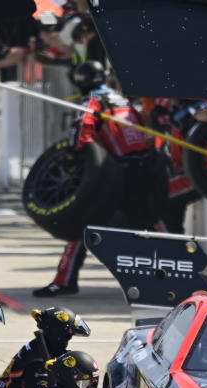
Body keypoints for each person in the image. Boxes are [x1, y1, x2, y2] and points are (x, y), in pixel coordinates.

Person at [33, 60, 168, 297]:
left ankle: (64, 281)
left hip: (119, 174)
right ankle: (175, 274)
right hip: (147, 167)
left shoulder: (91, 102)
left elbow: (79, 138)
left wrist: (74, 160)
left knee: (80, 226)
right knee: (152, 223)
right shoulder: (121, 99)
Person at [0, 307, 91, 388]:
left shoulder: (40, 347)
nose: (68, 341)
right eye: (68, 337)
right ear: (58, 336)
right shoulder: (37, 362)